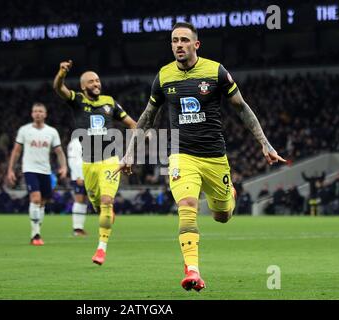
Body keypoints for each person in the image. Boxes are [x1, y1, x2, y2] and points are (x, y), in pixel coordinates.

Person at [115, 22, 286, 292]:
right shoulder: (163, 76)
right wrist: (127, 154)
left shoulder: (215, 70)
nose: (178, 45)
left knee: (222, 216)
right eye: (174, 40)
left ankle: (229, 195)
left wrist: (265, 144)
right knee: (187, 206)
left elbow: (242, 108)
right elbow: (147, 117)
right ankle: (192, 270)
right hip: (181, 156)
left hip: (215, 158)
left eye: (184, 40)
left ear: (196, 44)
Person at [53, 60, 137, 265]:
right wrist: (62, 73)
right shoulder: (78, 100)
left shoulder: (110, 102)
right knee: (99, 207)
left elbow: (133, 124)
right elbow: (58, 88)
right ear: (83, 86)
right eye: (91, 81)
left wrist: (130, 155)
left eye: (98, 80)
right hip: (88, 163)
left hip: (110, 160)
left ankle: (101, 248)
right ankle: (105, 217)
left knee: (107, 202)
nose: (96, 83)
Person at [7, 103, 67, 245]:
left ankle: (37, 230)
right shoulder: (24, 130)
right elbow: (16, 151)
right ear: (32, 114)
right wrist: (10, 169)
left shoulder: (52, 132)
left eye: (40, 111)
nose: (38, 113)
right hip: (29, 169)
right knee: (35, 198)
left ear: (45, 114)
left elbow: (59, 151)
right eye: (35, 111)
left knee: (42, 203)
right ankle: (35, 235)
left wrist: (64, 166)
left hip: (45, 170)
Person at [67, 137, 88, 236]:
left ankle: (80, 227)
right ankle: (76, 228)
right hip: (78, 176)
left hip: (88, 175)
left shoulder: (88, 141)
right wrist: (78, 175)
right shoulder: (74, 143)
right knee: (79, 200)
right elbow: (72, 161)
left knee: (84, 200)